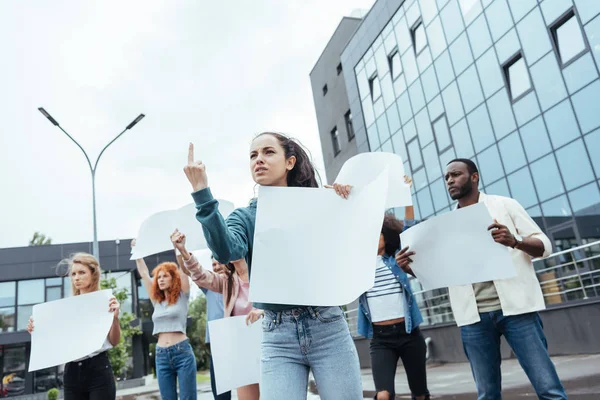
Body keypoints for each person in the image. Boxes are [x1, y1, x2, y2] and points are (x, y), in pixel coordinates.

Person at [182, 133, 363, 400]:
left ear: (290, 162)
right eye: (253, 155)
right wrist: (202, 193)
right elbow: (226, 250)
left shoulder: (319, 203)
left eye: (268, 152)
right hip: (277, 336)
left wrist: (345, 201)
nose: (259, 160)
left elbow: (352, 245)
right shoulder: (244, 217)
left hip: (327, 327)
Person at [396, 158, 567, 400]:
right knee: (487, 395)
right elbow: (441, 272)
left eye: (455, 174)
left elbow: (544, 246)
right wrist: (410, 269)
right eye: (446, 178)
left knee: (549, 389)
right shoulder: (445, 225)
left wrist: (515, 242)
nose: (450, 181)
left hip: (517, 311)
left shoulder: (504, 205)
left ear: (474, 177)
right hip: (473, 319)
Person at [357, 176, 430, 400]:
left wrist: (406, 195)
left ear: (386, 236)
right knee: (383, 395)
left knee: (420, 394)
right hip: (380, 339)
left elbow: (409, 227)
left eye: (376, 233)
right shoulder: (358, 267)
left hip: (409, 334)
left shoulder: (396, 259)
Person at [171, 229, 260, 400]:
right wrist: (182, 251)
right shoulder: (227, 282)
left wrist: (262, 311)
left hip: (268, 345)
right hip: (241, 349)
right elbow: (199, 273)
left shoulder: (261, 274)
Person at [27, 253, 121, 400]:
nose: (76, 277)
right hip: (71, 371)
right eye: (73, 274)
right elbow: (54, 337)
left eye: (82, 272)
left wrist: (115, 319)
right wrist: (36, 328)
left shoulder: (106, 301)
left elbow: (114, 341)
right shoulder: (66, 307)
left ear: (93, 274)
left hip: (98, 368)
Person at [133, 235, 197, 400]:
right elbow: (144, 274)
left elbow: (182, 269)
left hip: (182, 351)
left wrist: (177, 247)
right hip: (161, 354)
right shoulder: (157, 301)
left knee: (188, 398)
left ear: (173, 278)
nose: (160, 280)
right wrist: (137, 251)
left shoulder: (182, 296)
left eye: (164, 276)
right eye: (159, 277)